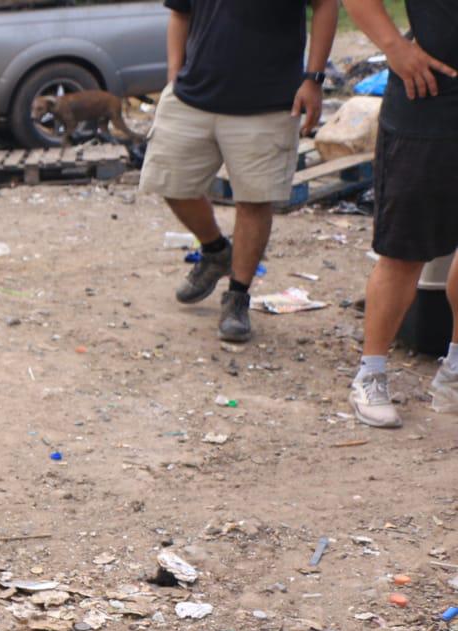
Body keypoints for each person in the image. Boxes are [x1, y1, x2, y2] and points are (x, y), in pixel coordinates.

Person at [140, 0, 338, 344]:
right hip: (193, 95)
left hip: (270, 101)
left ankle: (237, 297)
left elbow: (326, 6)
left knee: (254, 201)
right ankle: (216, 251)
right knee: (170, 182)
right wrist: (174, 76)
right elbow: (180, 13)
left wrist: (314, 79)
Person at [341, 0, 458, 428]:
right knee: (405, 249)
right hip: (428, 99)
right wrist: (393, 46)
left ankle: (455, 374)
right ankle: (370, 373)